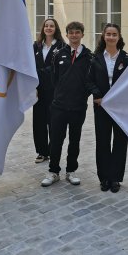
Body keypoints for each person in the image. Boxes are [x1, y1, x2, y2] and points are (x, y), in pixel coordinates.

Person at [41, 21, 92, 187]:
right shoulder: (59, 54)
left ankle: (71, 171)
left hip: (78, 107)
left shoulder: (88, 56)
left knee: (74, 140)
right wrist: (60, 94)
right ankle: (53, 171)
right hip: (59, 106)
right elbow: (53, 78)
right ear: (67, 34)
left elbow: (90, 80)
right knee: (56, 140)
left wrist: (82, 95)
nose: (74, 35)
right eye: (71, 32)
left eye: (78, 32)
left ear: (82, 35)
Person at [87, 23, 128, 193]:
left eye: (114, 34)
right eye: (108, 34)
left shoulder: (127, 59)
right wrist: (97, 95)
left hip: (121, 109)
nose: (111, 37)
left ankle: (115, 179)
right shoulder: (96, 58)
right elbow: (88, 80)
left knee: (120, 142)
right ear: (103, 36)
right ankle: (104, 178)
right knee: (103, 142)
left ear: (119, 37)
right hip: (101, 106)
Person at [33, 18, 65, 163]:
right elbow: (29, 65)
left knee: (54, 121)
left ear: (56, 28)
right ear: (43, 28)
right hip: (38, 90)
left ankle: (53, 151)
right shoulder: (36, 45)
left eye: (51, 26)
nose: (49, 28)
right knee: (38, 121)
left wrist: (39, 72)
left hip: (54, 90)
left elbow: (58, 68)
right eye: (46, 25)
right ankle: (42, 151)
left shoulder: (62, 46)